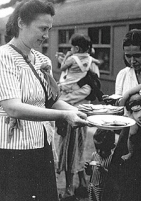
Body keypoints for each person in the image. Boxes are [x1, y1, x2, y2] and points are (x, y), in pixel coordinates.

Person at [0, 1, 89, 201]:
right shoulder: (0, 58)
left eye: (49, 29)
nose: (46, 35)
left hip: (37, 144)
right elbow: (13, 108)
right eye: (42, 28)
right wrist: (65, 115)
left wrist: (79, 111)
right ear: (21, 23)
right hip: (4, 148)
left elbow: (49, 101)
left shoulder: (42, 61)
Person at [102, 29, 141, 201]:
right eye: (128, 56)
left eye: (137, 55)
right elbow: (121, 105)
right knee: (122, 183)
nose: (132, 60)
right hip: (129, 134)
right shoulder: (123, 74)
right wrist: (114, 104)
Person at [56, 34, 101, 200]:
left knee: (71, 148)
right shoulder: (88, 62)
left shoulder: (85, 67)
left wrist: (65, 99)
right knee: (75, 147)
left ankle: (70, 189)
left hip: (74, 112)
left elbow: (90, 88)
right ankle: (80, 184)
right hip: (77, 110)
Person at [58, 33, 102, 103]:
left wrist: (66, 57)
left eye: (72, 47)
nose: (71, 49)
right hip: (80, 86)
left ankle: (63, 100)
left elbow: (62, 68)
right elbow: (98, 62)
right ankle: (66, 100)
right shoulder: (89, 58)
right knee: (87, 90)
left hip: (68, 85)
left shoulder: (72, 59)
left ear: (77, 48)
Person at [85, 129, 115, 201]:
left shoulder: (113, 158)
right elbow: (90, 174)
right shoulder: (94, 156)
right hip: (93, 187)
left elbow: (113, 176)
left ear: (112, 146)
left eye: (103, 149)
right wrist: (87, 169)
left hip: (105, 190)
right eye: (97, 148)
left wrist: (103, 171)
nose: (99, 151)